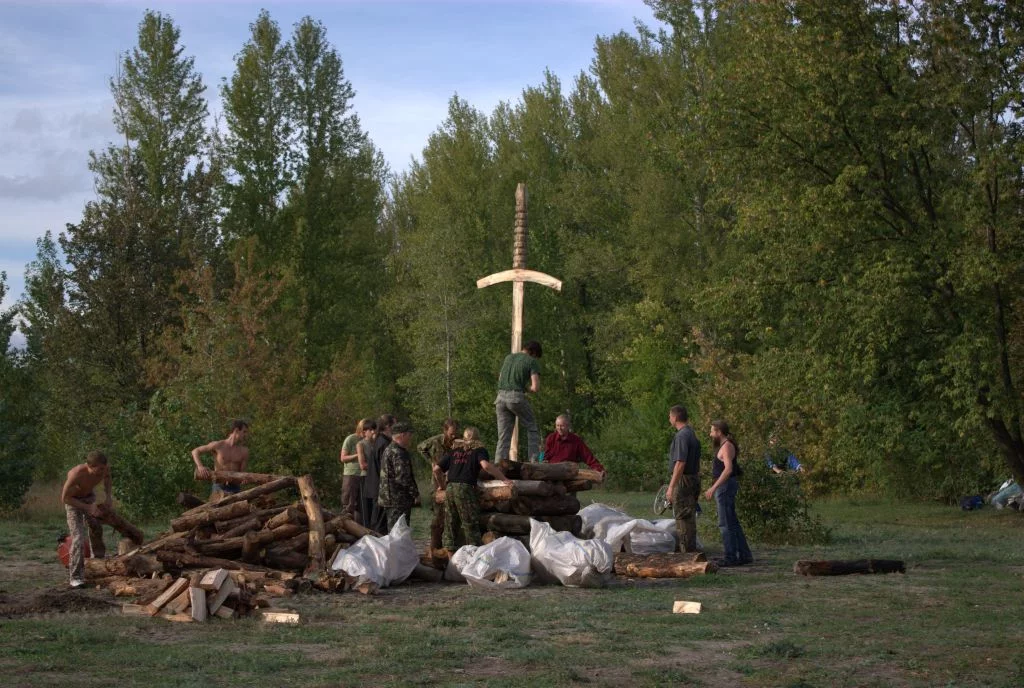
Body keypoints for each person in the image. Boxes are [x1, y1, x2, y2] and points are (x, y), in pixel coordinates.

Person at [433, 427, 512, 550]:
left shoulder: (455, 451)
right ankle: (474, 555)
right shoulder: (479, 450)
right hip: (465, 488)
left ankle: (451, 558)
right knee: (470, 524)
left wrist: (442, 485)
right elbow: (486, 466)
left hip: (450, 488)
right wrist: (504, 479)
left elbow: (436, 469)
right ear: (478, 438)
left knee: (450, 524)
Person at [704, 420, 753, 567]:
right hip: (726, 486)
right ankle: (744, 555)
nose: (710, 434)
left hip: (724, 487)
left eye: (712, 431)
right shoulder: (726, 445)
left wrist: (713, 487)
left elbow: (728, 469)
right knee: (732, 521)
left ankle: (730, 556)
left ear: (719, 432)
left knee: (725, 523)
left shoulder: (726, 446)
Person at [61, 451, 111, 589]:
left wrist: (108, 497)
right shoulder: (76, 474)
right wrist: (88, 508)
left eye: (104, 468)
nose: (103, 472)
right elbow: (65, 498)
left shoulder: (105, 469)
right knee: (78, 538)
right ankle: (75, 577)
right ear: (90, 466)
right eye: (100, 469)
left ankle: (98, 561)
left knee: (96, 526)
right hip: (73, 502)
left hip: (88, 497)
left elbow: (107, 478)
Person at [495, 340, 543, 462]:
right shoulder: (531, 361)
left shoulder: (508, 358)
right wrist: (525, 388)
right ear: (533, 353)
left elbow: (500, 378)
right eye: (536, 356)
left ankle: (498, 465)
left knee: (503, 436)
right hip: (516, 397)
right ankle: (534, 462)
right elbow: (535, 387)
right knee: (531, 426)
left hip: (500, 398)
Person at [666, 405, 701, 553]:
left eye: (670, 416)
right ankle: (691, 552)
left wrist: (671, 486)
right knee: (689, 517)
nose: (669, 418)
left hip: (684, 480)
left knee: (682, 517)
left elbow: (680, 463)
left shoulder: (681, 436)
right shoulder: (691, 433)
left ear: (675, 418)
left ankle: (687, 554)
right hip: (694, 478)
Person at [190, 420, 250, 501]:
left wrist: (243, 480)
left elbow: (242, 473)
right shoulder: (218, 445)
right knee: (216, 508)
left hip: (235, 487)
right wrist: (200, 466)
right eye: (244, 432)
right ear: (236, 430)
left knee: (238, 508)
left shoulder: (244, 451)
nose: (246, 435)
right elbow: (195, 451)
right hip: (219, 486)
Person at [377, 422, 421, 530]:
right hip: (398, 500)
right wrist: (415, 494)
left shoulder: (389, 449)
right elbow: (403, 477)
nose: (410, 438)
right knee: (399, 531)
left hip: (390, 498)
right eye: (409, 435)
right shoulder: (398, 452)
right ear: (402, 435)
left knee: (394, 530)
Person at [364, 414, 395, 532]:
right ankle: (378, 542)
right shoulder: (384, 443)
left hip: (378, 487)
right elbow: (385, 468)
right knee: (379, 522)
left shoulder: (380, 440)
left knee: (378, 520)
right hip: (380, 488)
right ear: (387, 426)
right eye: (394, 424)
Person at [418, 418, 460, 487]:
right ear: (445, 431)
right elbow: (420, 447)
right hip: (438, 476)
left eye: (455, 433)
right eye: (451, 434)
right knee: (437, 491)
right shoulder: (436, 440)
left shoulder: (460, 441)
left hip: (454, 477)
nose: (454, 436)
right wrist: (431, 461)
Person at [339, 419, 365, 523]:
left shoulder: (368, 441)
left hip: (363, 475)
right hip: (351, 474)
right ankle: (345, 527)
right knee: (349, 504)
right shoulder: (351, 439)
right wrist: (358, 455)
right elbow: (343, 458)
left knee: (360, 506)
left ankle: (360, 529)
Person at [356, 418, 377, 526]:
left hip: (377, 478)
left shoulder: (378, 443)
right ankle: (366, 529)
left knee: (376, 506)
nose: (373, 432)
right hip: (366, 478)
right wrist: (377, 467)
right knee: (366, 507)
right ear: (364, 432)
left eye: (374, 429)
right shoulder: (361, 444)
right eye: (370, 430)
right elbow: (362, 465)